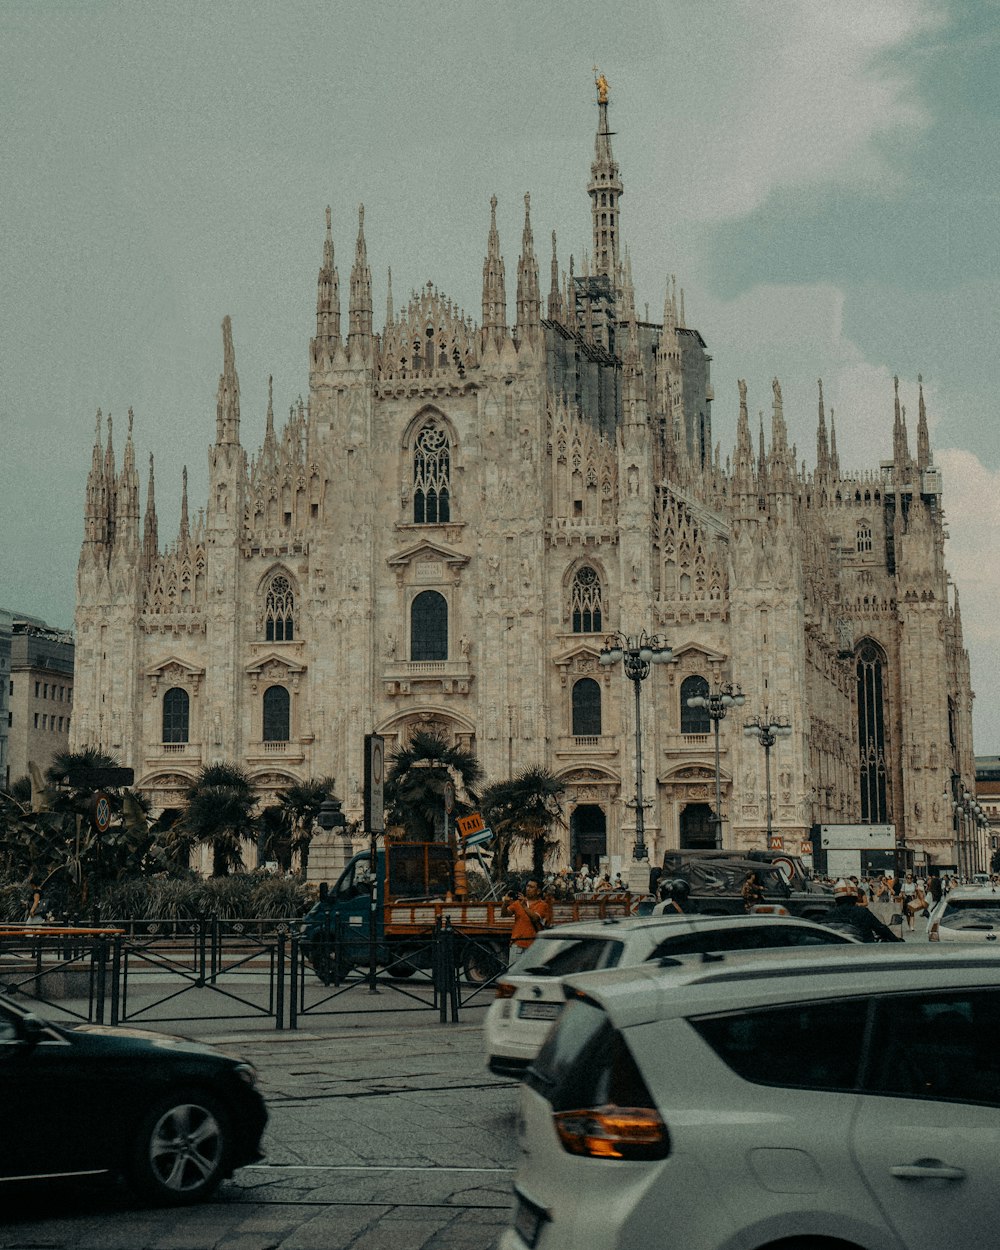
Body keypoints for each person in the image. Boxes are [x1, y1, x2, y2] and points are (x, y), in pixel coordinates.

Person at [819, 879, 903, 942]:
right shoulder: (863, 912)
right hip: (865, 951)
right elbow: (881, 928)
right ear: (855, 897)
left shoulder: (830, 914)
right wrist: (897, 941)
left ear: (836, 898)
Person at [502, 879, 552, 964]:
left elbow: (535, 918)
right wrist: (505, 903)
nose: (528, 889)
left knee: (530, 974)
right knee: (515, 974)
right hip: (517, 944)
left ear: (538, 891)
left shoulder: (542, 905)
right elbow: (504, 914)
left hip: (533, 946)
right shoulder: (517, 903)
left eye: (531, 887)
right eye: (527, 886)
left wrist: (524, 906)